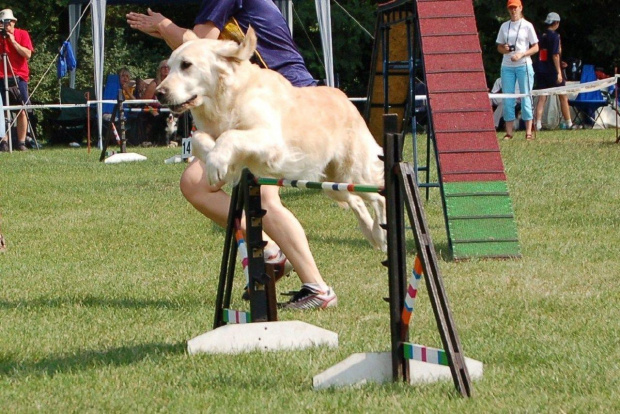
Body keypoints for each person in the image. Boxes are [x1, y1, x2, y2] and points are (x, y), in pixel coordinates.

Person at [127, 1, 336, 309]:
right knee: (197, 183)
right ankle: (270, 251)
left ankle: (317, 288)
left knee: (264, 200)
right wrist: (164, 29)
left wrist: (163, 24)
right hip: (265, 98)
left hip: (281, 99)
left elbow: (198, 43)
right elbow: (195, 47)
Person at [495, 0, 538, 141]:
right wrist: (504, 49)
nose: (513, 11)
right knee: (508, 99)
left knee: (526, 96)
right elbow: (499, 47)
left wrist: (522, 54)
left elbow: (535, 47)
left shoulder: (527, 26)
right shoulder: (504, 26)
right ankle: (509, 132)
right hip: (507, 66)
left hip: (523, 65)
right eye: (511, 8)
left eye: (515, 8)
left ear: (520, 8)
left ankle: (528, 132)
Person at [0, 9, 34, 152]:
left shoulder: (22, 34)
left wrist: (12, 41)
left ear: (14, 22)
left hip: (18, 76)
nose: (6, 25)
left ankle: (21, 141)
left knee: (22, 109)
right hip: (1, 76)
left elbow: (27, 54)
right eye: (3, 22)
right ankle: (4, 141)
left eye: (8, 22)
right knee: (3, 110)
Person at [534, 12, 573, 131]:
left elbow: (542, 54)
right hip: (553, 71)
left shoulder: (541, 35)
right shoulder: (555, 36)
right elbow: (555, 55)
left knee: (542, 97)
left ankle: (538, 124)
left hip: (541, 69)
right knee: (563, 96)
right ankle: (569, 123)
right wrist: (559, 72)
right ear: (556, 23)